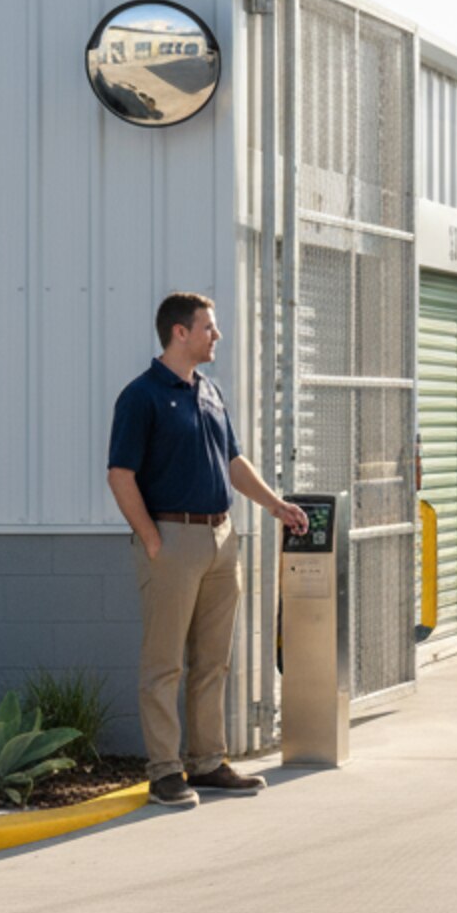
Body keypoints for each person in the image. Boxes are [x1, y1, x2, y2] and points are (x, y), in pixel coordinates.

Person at [107, 292, 308, 808]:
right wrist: (152, 539)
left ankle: (207, 762)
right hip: (172, 539)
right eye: (208, 328)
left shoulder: (211, 392)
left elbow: (233, 462)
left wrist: (275, 505)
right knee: (164, 664)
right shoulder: (142, 396)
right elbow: (120, 474)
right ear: (180, 332)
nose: (216, 336)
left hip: (222, 538)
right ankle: (164, 771)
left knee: (213, 661)